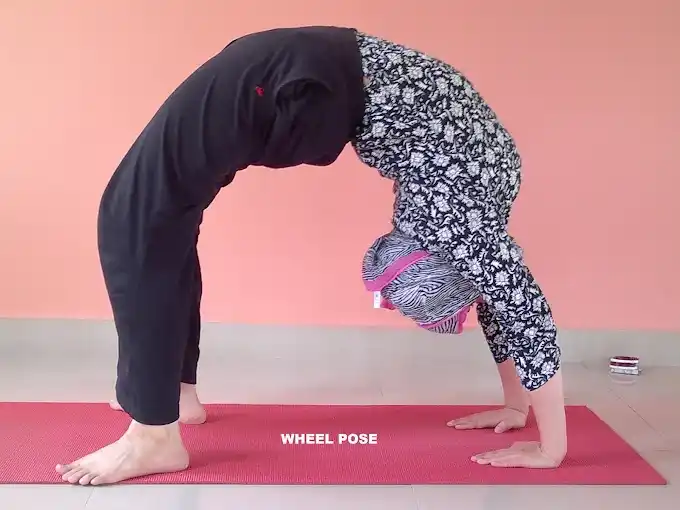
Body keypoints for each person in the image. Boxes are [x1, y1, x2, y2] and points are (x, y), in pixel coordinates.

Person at [56, 26, 566, 486]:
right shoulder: (458, 226)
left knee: (152, 211)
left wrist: (516, 405)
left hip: (306, 76)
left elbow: (498, 290)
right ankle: (162, 415)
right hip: (301, 80)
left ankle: (162, 416)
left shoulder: (474, 204)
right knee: (136, 215)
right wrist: (551, 447)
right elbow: (521, 307)